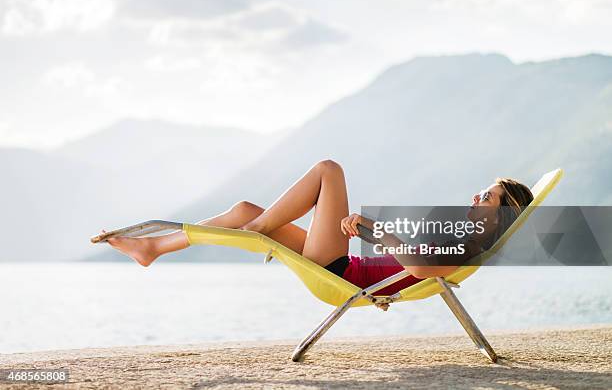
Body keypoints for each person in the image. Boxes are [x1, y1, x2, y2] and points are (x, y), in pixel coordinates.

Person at [101, 159, 533, 295]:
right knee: (243, 208)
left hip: (342, 273)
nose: (476, 198)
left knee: (329, 169)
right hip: (346, 264)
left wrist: (373, 229)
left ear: (503, 214)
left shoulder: (465, 248)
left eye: (488, 197)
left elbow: (420, 269)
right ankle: (154, 249)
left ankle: (256, 228)